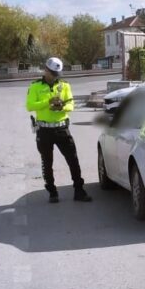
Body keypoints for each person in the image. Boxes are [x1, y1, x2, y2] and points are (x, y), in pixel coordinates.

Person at [26, 57, 92, 203]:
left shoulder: (64, 85)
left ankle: (79, 191)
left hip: (62, 128)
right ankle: (52, 192)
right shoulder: (35, 86)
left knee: (73, 160)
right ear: (46, 70)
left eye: (58, 74)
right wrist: (47, 102)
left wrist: (62, 107)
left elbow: (71, 105)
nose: (56, 76)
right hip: (44, 130)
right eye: (53, 73)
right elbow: (30, 106)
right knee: (47, 162)